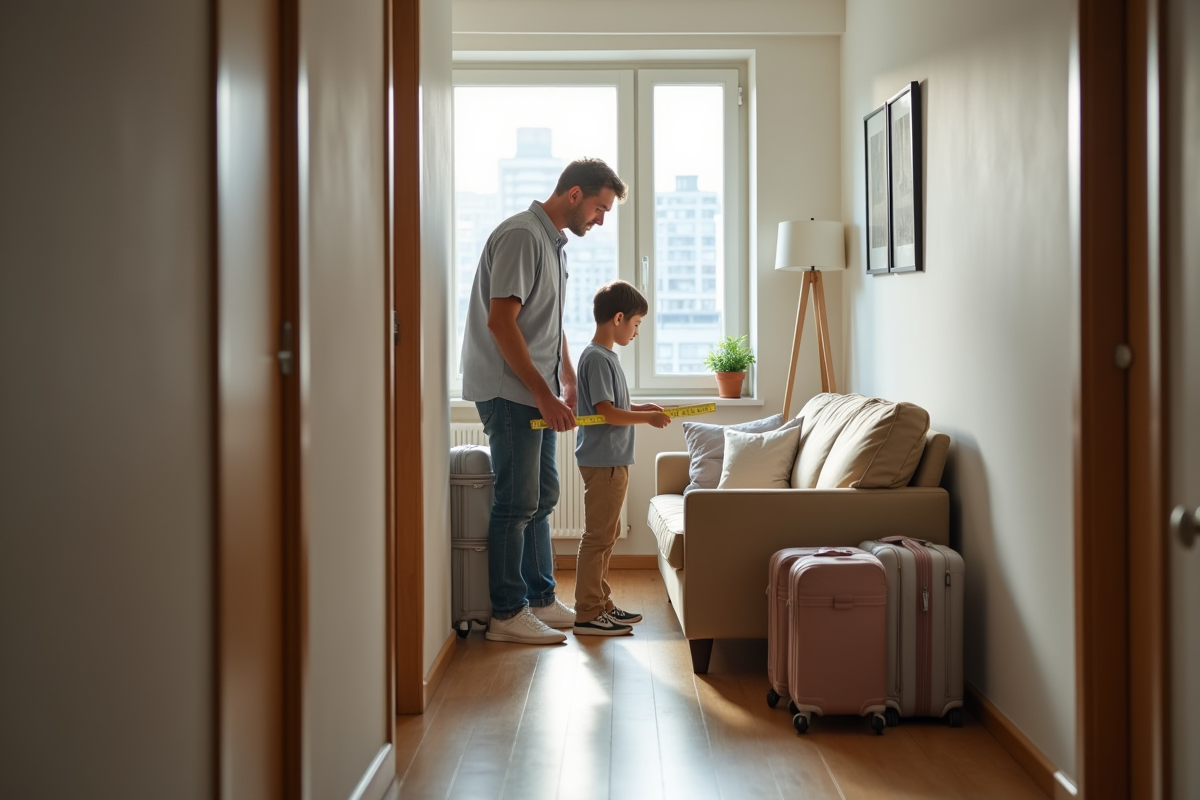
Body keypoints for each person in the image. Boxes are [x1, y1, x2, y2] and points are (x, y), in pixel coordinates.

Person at [461, 158, 628, 645]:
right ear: (573, 195)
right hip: (507, 390)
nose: (599, 220)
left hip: (536, 390)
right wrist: (542, 392)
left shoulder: (555, 247)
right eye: (599, 208)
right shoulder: (521, 236)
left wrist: (569, 382)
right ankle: (507, 613)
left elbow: (547, 326)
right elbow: (501, 322)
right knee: (516, 502)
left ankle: (538, 597)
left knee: (544, 496)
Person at [572, 280, 671, 636]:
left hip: (611, 461)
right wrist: (645, 417)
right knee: (598, 537)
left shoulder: (606, 357)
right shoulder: (597, 358)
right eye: (636, 324)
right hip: (604, 463)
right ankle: (587, 612)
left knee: (607, 536)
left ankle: (601, 603)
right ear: (618, 318)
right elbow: (607, 413)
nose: (637, 332)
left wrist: (640, 408)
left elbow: (612, 408)